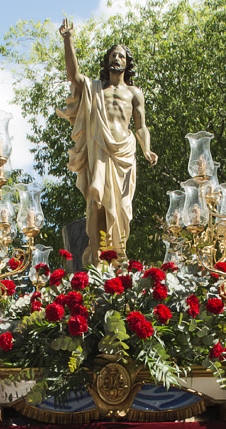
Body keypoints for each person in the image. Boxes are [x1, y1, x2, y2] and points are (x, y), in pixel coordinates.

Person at [57, 17, 157, 265]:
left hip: (124, 152)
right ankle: (97, 258)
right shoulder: (95, 89)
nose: (117, 59)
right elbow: (74, 75)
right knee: (95, 198)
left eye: (122, 56)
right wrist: (68, 40)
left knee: (121, 208)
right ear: (107, 60)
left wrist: (147, 149)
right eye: (113, 55)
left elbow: (141, 126)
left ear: (127, 63)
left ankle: (119, 258)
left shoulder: (134, 93)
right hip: (100, 149)